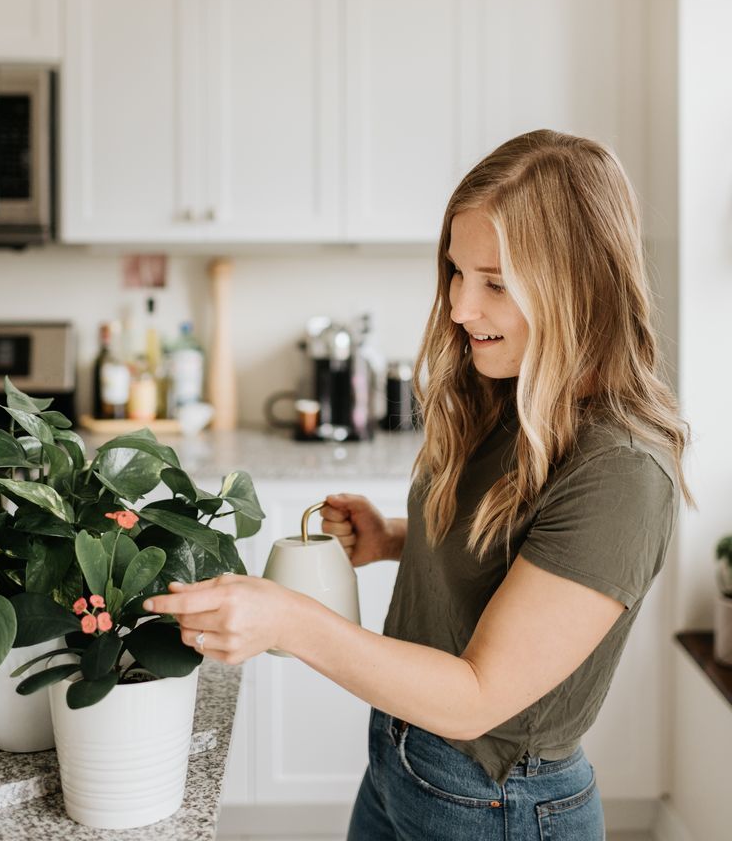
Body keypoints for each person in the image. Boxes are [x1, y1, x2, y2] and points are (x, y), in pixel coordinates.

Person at [143, 130, 692, 841]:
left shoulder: (619, 468)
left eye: (495, 282)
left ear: (579, 285)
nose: (461, 308)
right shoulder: (511, 394)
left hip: (495, 803)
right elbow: (517, 557)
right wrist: (395, 540)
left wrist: (288, 620)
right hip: (403, 758)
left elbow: (476, 698)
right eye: (456, 273)